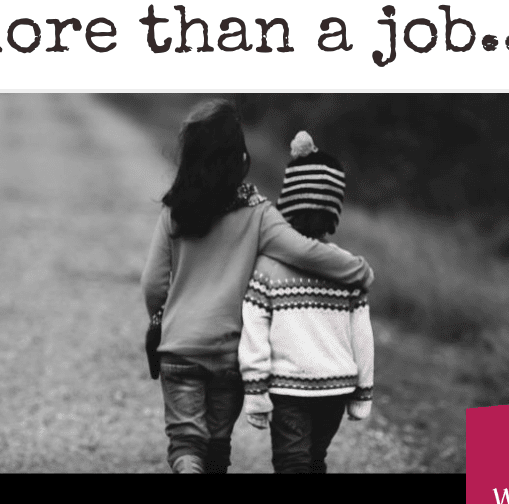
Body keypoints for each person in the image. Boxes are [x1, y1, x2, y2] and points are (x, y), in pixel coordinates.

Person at [140, 101, 374, 475]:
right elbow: (305, 251)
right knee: (217, 443)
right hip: (229, 352)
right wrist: (358, 270)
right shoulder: (258, 213)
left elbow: (153, 283)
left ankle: (187, 468)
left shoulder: (175, 212)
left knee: (186, 440)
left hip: (179, 346)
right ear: (240, 157)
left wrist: (162, 318)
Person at [238, 131, 375, 474]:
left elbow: (254, 328)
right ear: (334, 210)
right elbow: (363, 335)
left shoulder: (267, 267)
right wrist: (363, 391)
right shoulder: (348, 270)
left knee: (292, 463)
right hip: (336, 387)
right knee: (314, 459)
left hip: (288, 389)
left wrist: (255, 390)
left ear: (288, 203)